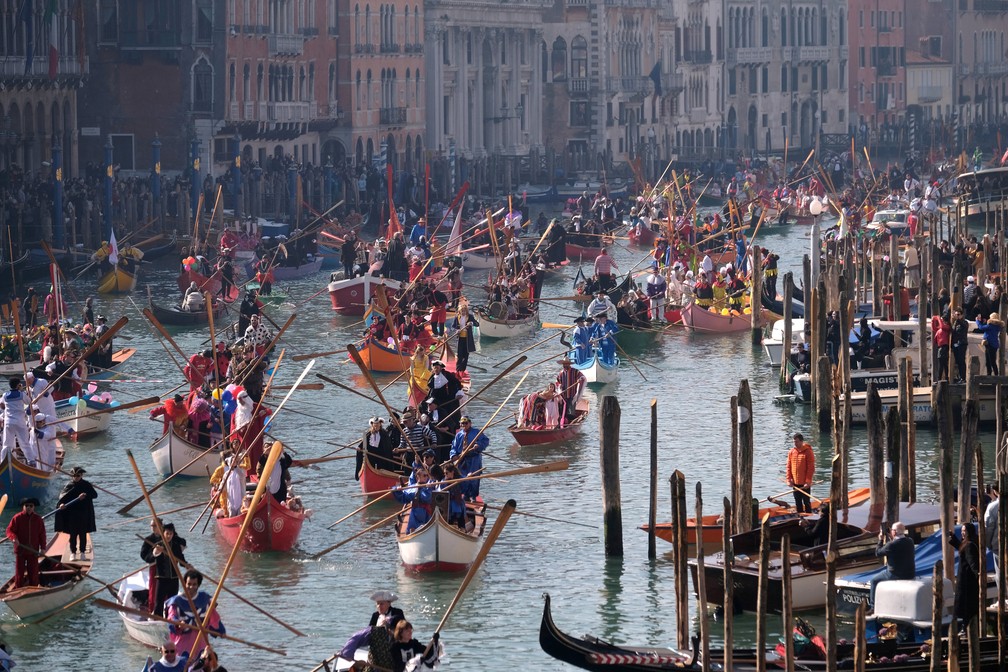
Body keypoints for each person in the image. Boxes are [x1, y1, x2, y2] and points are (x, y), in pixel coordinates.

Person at [164, 569, 226, 661]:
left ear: (198, 585)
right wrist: (178, 624)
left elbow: (213, 617)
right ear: (185, 583)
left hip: (201, 643)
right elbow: (171, 617)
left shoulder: (204, 599)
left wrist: (221, 631)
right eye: (189, 584)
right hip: (182, 644)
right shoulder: (176, 601)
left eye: (194, 585)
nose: (191, 587)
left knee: (201, 666)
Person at [141, 522, 189, 616]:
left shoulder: (175, 546)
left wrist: (187, 565)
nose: (169, 536)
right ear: (163, 533)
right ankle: (158, 619)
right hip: (161, 578)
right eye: (167, 533)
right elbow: (149, 558)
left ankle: (170, 620)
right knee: (159, 603)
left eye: (171, 534)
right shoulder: (158, 545)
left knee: (172, 603)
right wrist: (155, 553)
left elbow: (181, 559)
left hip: (174, 579)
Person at [53, 466, 98, 560]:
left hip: (84, 513)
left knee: (83, 534)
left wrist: (85, 495)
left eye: (78, 475)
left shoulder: (86, 485)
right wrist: (61, 504)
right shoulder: (69, 485)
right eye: (74, 475)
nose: (76, 477)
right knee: (72, 534)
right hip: (72, 514)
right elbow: (62, 497)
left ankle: (82, 552)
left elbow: (95, 495)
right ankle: (73, 552)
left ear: (81, 475)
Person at [868, 521, 916, 607]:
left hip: (895, 574)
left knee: (873, 581)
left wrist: (880, 540)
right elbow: (898, 547)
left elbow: (878, 553)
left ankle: (873, 607)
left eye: (892, 530)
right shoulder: (910, 541)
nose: (890, 531)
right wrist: (892, 539)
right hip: (910, 574)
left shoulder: (891, 545)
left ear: (895, 532)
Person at [948, 523, 982, 630]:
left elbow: (973, 562)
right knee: (966, 606)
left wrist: (978, 574)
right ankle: (965, 626)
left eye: (964, 531)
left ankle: (966, 627)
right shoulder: (968, 543)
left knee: (966, 606)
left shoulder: (970, 545)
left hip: (967, 581)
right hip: (966, 579)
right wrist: (953, 538)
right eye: (962, 531)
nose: (963, 533)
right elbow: (962, 548)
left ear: (969, 532)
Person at [5, 498, 46, 588]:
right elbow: (9, 530)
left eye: (31, 506)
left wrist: (43, 548)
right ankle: (18, 589)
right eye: (26, 506)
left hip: (33, 551)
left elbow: (42, 535)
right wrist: (14, 538)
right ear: (23, 507)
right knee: (19, 572)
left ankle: (34, 588)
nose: (28, 508)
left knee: (33, 572)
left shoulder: (38, 519)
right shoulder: (17, 518)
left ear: (34, 507)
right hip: (21, 551)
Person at [449, 416, 489, 500]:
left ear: (470, 423)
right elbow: (454, 447)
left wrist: (479, 445)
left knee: (473, 477)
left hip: (474, 458)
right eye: (462, 423)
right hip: (462, 459)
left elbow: (485, 441)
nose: (464, 425)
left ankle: (473, 496)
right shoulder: (459, 435)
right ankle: (465, 496)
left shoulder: (476, 432)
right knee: (463, 477)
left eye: (466, 423)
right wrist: (453, 455)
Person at [0, 377, 29, 465]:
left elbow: (2, 404)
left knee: (6, 444)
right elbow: (28, 402)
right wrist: (23, 391)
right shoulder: (21, 394)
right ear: (18, 385)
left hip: (9, 422)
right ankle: (31, 461)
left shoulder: (5, 395)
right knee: (25, 443)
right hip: (20, 422)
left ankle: (2, 462)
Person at [786, 433, 815, 513]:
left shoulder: (808, 452)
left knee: (806, 502)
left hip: (805, 484)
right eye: (794, 442)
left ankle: (809, 516)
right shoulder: (791, 452)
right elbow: (788, 467)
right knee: (797, 502)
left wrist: (808, 481)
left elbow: (811, 468)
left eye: (797, 442)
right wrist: (789, 479)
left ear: (802, 441)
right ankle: (800, 518)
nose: (795, 443)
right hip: (795, 483)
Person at [449, 303, 478, 373]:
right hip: (460, 338)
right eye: (462, 311)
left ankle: (462, 370)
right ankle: (458, 370)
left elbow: (477, 324)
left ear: (466, 311)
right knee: (460, 355)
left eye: (464, 311)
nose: (463, 312)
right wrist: (456, 330)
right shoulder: (457, 317)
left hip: (467, 339)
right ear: (459, 311)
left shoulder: (470, 317)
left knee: (466, 355)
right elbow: (452, 327)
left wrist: (472, 323)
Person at [984, 485, 1000, 593]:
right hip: (997, 544)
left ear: (995, 491)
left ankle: (1004, 598)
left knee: (1000, 573)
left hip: (998, 545)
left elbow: (988, 528)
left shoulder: (993, 507)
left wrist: (988, 544)